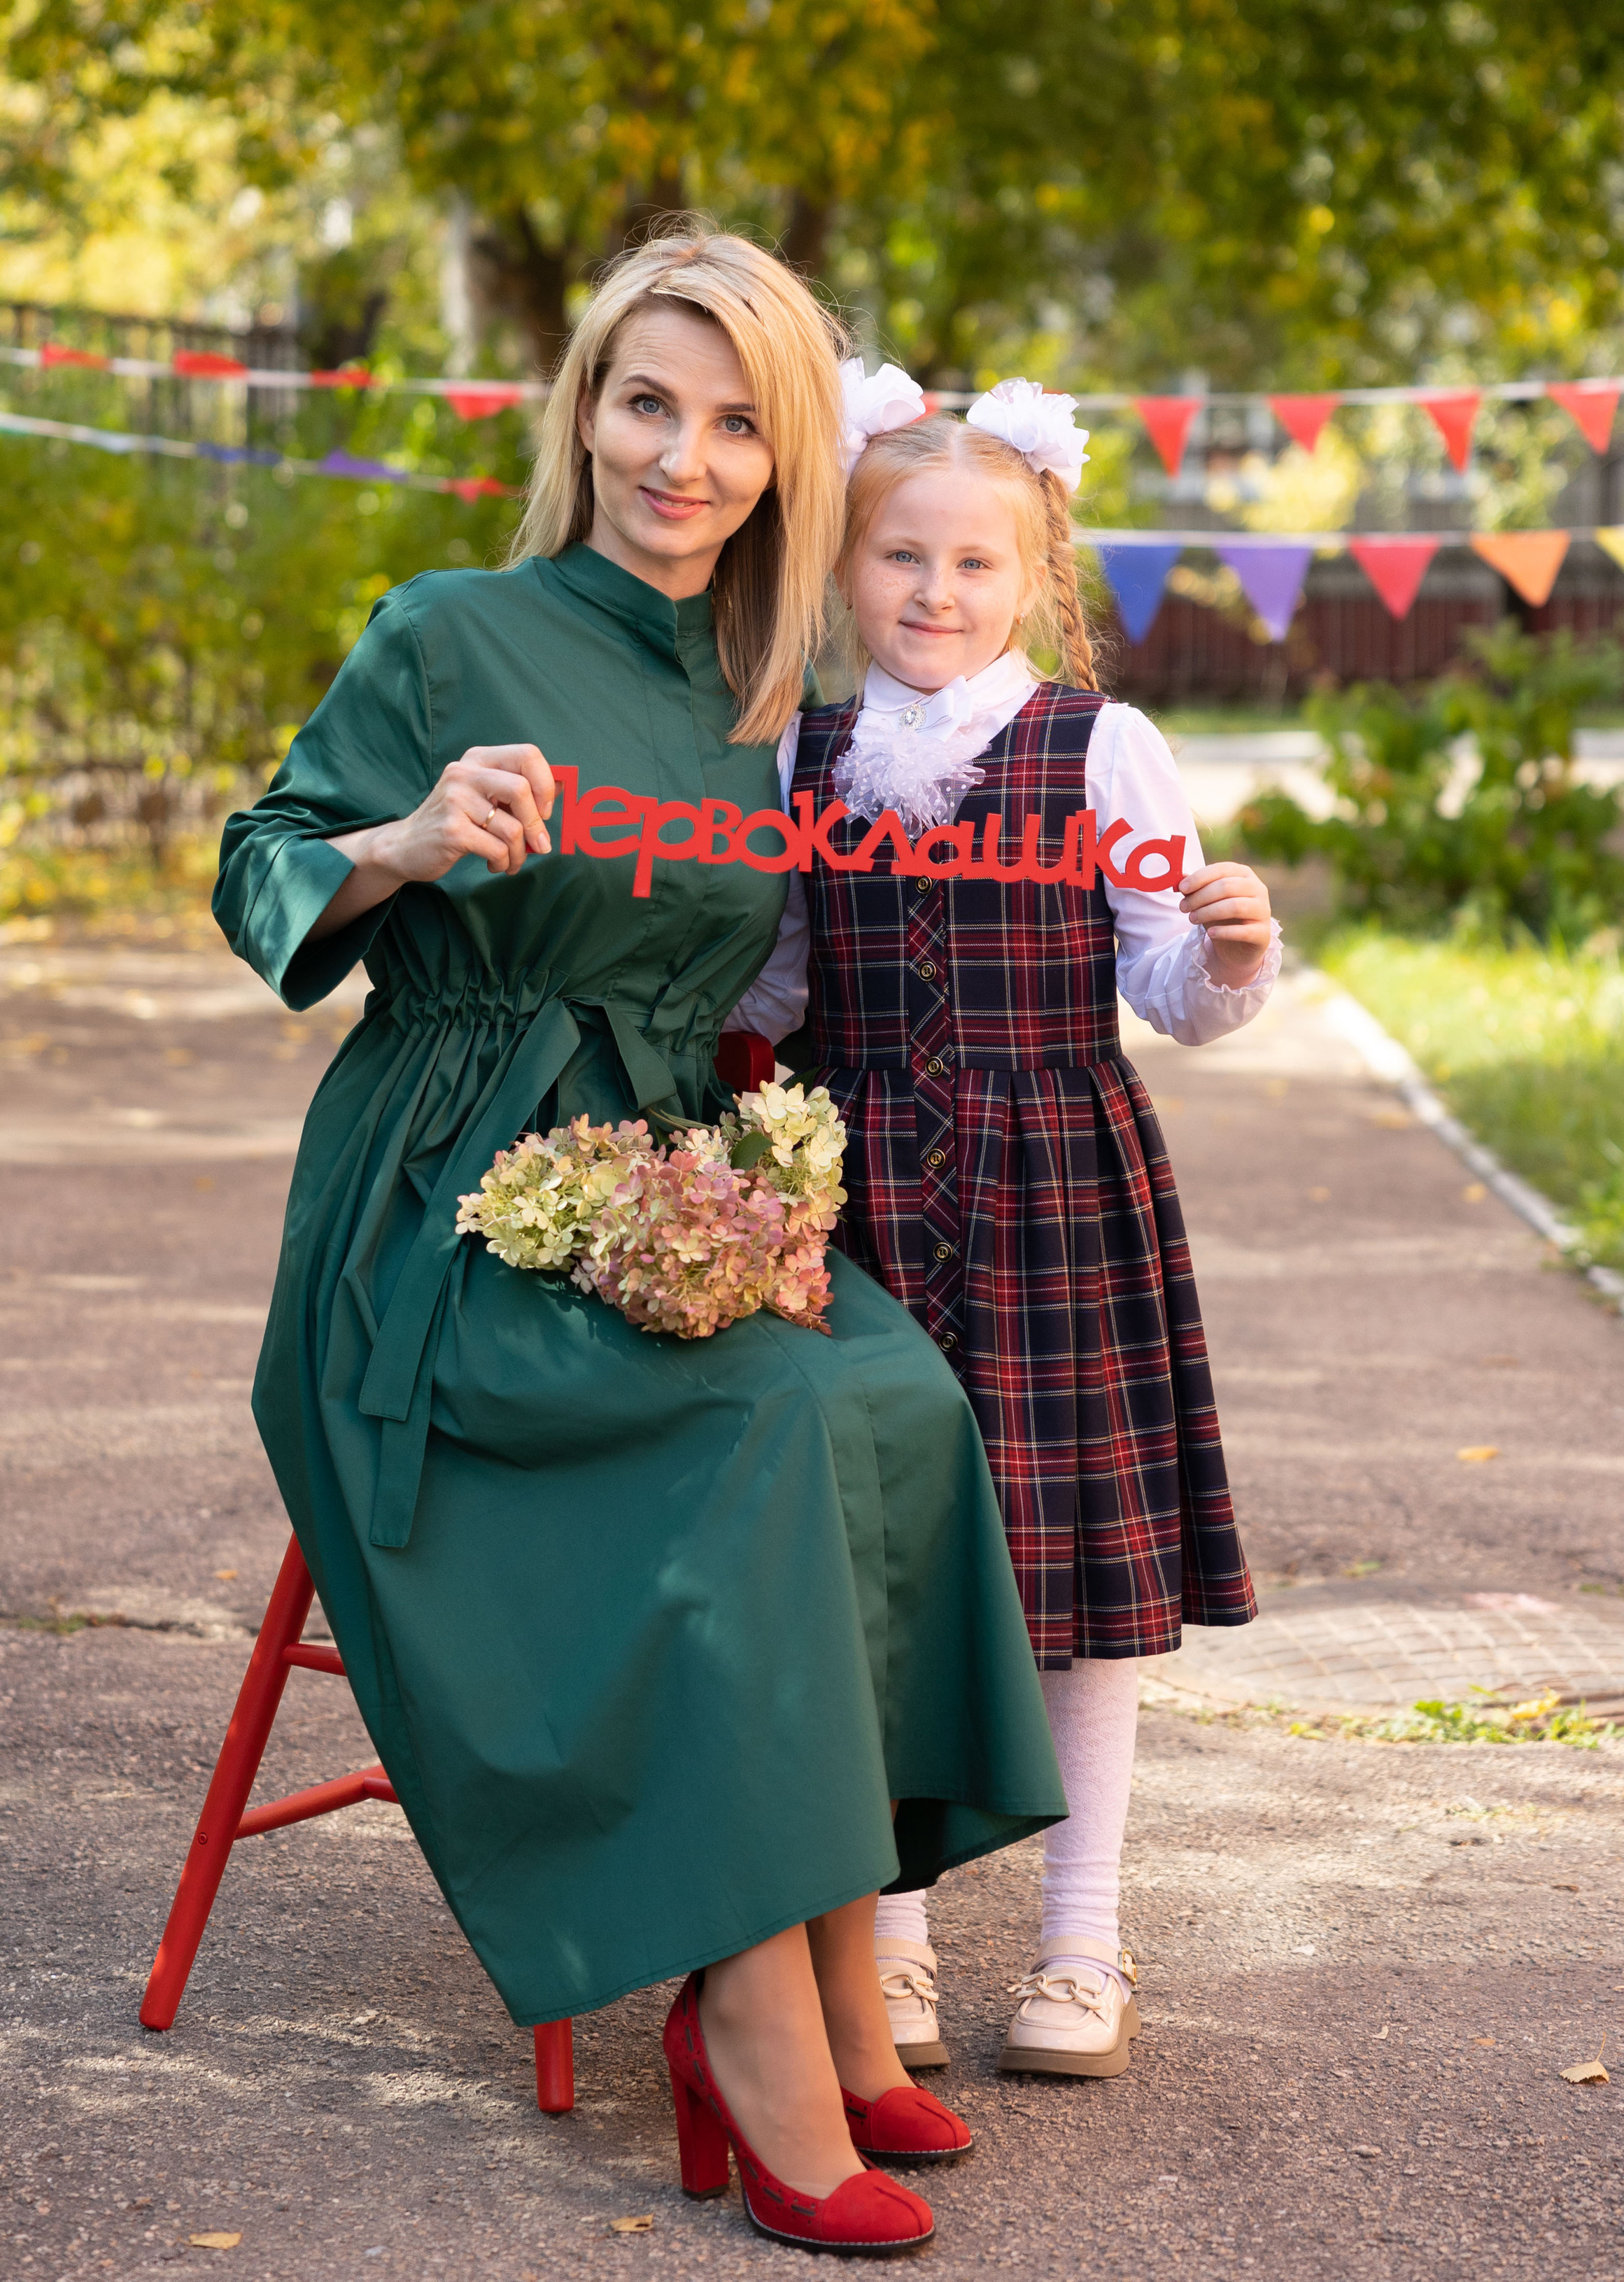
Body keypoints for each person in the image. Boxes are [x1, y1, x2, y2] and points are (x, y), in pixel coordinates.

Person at [212, 235, 1064, 2256]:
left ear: (786, 462)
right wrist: (405, 842)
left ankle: (842, 1986)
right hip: (444, 1212)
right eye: (648, 403)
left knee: (893, 1398)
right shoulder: (450, 630)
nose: (684, 458)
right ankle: (748, 2021)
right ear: (584, 407)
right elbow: (259, 865)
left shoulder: (765, 699)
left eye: (738, 423)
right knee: (762, 1425)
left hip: (669, 1178)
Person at [733, 369, 1276, 2083]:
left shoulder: (1095, 746)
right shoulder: (798, 753)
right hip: (851, 1189)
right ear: (841, 566)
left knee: (1074, 1563)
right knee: (873, 1562)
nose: (934, 590)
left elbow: (1168, 985)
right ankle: (886, 1943)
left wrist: (1231, 952)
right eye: (899, 555)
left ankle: (1079, 1942)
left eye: (974, 562)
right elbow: (771, 982)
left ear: (1033, 578)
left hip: (1052, 1182)